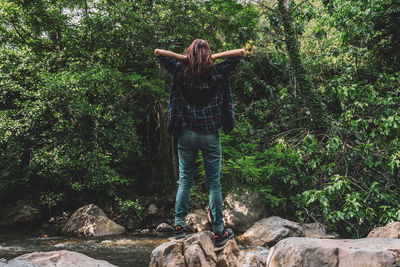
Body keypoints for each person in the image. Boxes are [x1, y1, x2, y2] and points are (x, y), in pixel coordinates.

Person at [154, 39, 245, 247]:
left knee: (185, 180)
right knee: (214, 184)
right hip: (210, 134)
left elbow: (159, 52)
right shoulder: (217, 72)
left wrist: (189, 59)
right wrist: (210, 59)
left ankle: (178, 226)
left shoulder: (181, 72)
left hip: (187, 134)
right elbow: (240, 53)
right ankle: (219, 232)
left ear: (189, 54)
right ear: (208, 55)